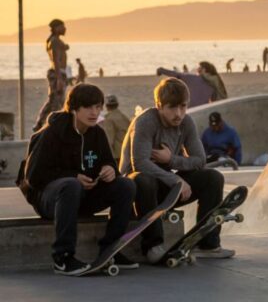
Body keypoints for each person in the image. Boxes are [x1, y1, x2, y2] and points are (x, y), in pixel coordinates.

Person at [22, 83, 137, 275]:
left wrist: (109, 170)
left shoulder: (97, 133)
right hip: (51, 200)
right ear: (74, 107)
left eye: (98, 107)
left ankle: (111, 250)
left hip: (84, 197)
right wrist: (73, 176)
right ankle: (63, 258)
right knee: (71, 185)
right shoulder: (52, 133)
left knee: (126, 185)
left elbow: (109, 164)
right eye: (88, 107)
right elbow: (33, 177)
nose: (94, 112)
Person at [121, 77, 235, 263]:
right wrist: (176, 180)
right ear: (159, 106)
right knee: (144, 178)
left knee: (212, 178)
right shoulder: (145, 122)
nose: (179, 114)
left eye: (183, 106)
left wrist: (171, 160)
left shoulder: (186, 123)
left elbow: (199, 161)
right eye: (172, 107)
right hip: (137, 193)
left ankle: (207, 244)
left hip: (164, 189)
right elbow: (139, 163)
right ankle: (153, 246)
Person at [35, 19, 70, 132]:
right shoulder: (54, 41)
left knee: (53, 100)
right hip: (57, 73)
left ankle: (40, 123)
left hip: (59, 72)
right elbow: (55, 59)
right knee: (57, 101)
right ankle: (54, 125)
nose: (64, 29)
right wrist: (59, 78)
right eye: (62, 26)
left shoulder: (55, 41)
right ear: (56, 28)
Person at [99, 94, 131, 164]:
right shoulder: (124, 117)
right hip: (126, 152)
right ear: (117, 104)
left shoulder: (109, 119)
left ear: (106, 106)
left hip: (116, 155)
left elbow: (109, 140)